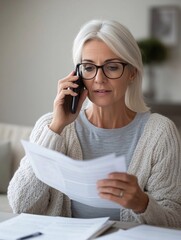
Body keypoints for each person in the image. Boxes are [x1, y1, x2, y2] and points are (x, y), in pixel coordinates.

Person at [8, 19, 181, 228]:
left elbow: (174, 223)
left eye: (112, 67)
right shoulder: (52, 126)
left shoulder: (161, 133)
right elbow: (21, 205)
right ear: (77, 75)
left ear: (132, 73)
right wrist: (55, 129)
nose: (99, 78)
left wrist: (142, 204)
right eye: (89, 67)